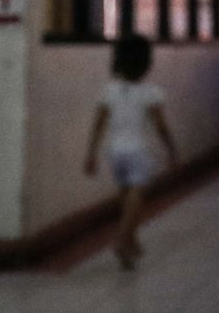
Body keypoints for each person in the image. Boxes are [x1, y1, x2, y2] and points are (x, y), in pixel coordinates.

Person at [83, 33, 178, 270]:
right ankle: (123, 239)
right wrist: (171, 148)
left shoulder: (109, 91)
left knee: (126, 197)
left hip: (114, 151)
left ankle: (131, 243)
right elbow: (161, 126)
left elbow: (98, 124)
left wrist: (91, 154)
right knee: (138, 193)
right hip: (138, 151)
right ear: (146, 63)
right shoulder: (151, 92)